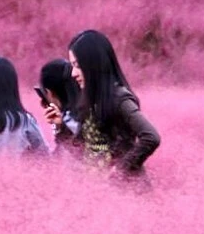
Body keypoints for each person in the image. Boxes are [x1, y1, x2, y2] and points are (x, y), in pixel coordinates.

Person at [68, 29, 160, 176]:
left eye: (78, 66)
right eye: (72, 66)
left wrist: (119, 171)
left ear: (94, 65)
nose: (73, 73)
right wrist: (59, 125)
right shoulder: (89, 99)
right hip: (97, 191)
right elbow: (82, 146)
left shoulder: (119, 98)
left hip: (128, 193)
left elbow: (151, 137)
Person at [39, 58, 82, 147]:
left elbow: (73, 154)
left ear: (49, 92)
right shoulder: (87, 109)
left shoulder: (67, 120)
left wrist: (60, 129)